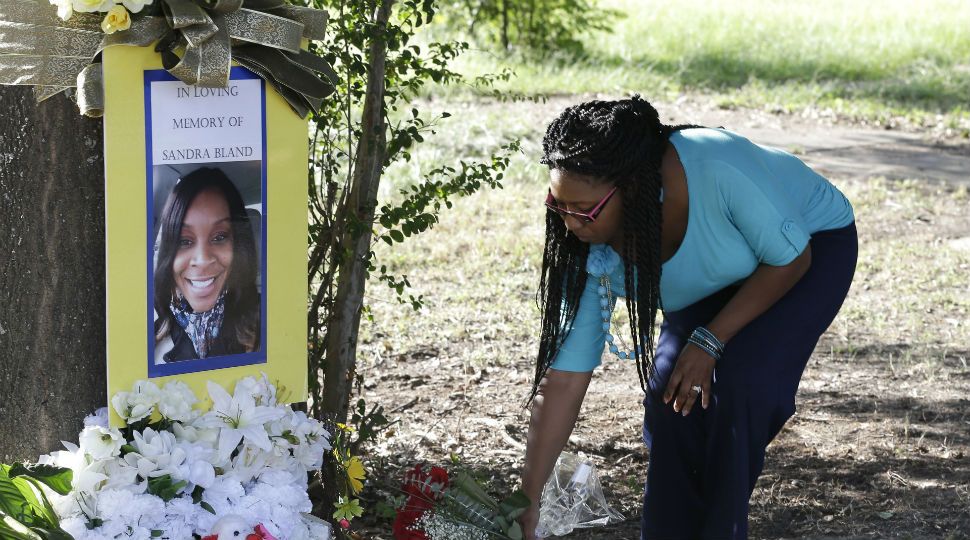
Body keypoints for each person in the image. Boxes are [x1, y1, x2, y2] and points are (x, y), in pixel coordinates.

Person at [519, 96, 857, 539]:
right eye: (557, 205)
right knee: (671, 397)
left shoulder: (715, 165)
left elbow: (790, 260)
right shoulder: (587, 249)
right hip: (717, 275)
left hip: (805, 250)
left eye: (583, 210)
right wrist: (526, 502)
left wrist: (710, 340)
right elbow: (563, 380)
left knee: (741, 390)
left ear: (634, 188)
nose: (568, 224)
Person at [153, 167, 261, 363]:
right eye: (184, 241)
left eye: (220, 237)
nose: (202, 260)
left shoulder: (268, 324)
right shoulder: (150, 338)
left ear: (239, 244)